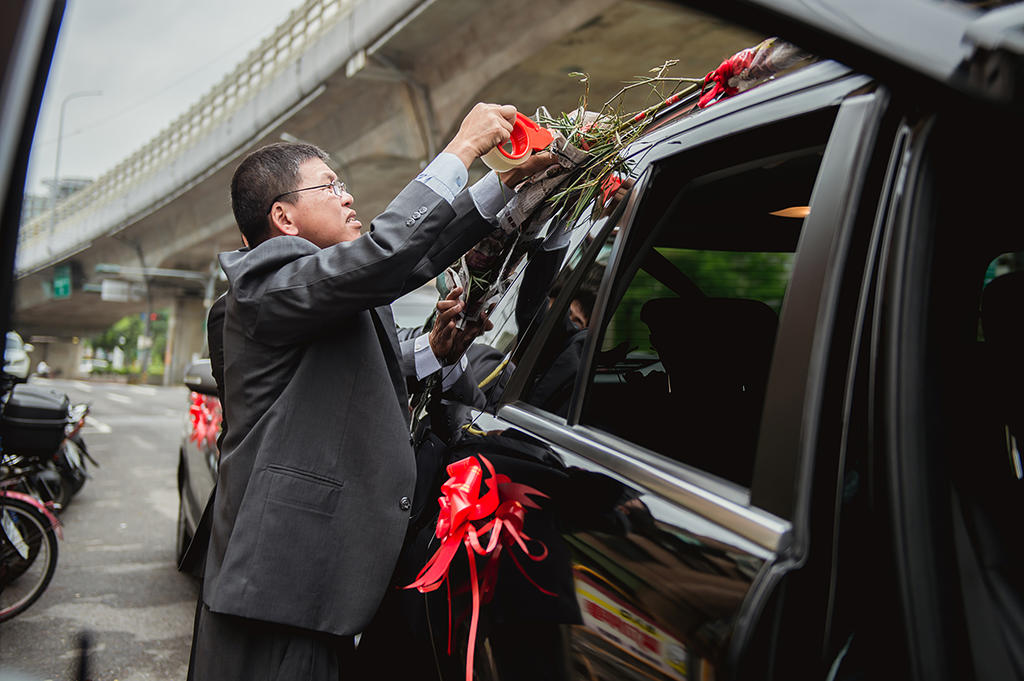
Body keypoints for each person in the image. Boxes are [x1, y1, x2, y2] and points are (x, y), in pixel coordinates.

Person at [186, 102, 555, 681]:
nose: (348, 196)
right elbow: (389, 256)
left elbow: (412, 263)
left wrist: (506, 182)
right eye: (330, 187)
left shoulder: (324, 294)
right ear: (283, 218)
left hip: (317, 584)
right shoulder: (264, 282)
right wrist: (461, 150)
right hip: (284, 587)